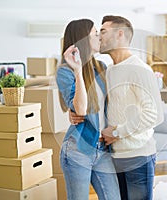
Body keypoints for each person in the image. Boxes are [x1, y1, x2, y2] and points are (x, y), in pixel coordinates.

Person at [99, 15, 163, 200]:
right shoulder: (110, 70)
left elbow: (155, 115)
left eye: (103, 31)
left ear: (120, 34)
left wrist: (117, 132)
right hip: (114, 156)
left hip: (138, 157)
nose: (99, 37)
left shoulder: (139, 69)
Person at [56, 19, 121, 200]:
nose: (99, 37)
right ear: (83, 39)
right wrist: (78, 70)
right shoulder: (65, 71)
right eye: (95, 33)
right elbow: (81, 109)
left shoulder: (101, 67)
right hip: (78, 150)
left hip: (102, 149)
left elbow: (111, 103)